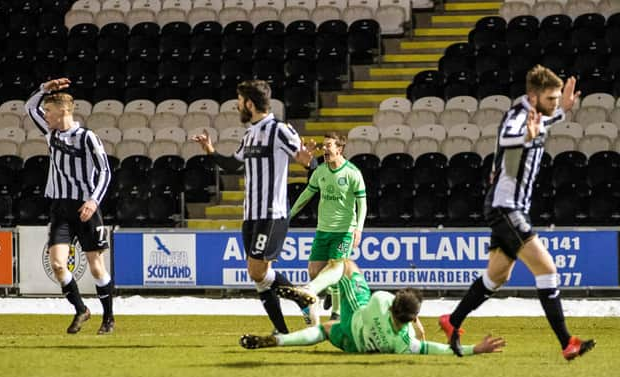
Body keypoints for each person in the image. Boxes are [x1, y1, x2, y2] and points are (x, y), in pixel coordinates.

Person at [438, 65, 595, 360]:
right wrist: (526, 136)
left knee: (497, 275)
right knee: (547, 269)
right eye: (551, 99)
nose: (554, 103)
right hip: (505, 208)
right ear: (533, 97)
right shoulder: (518, 116)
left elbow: (543, 124)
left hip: (510, 207)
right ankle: (567, 342)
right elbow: (508, 138)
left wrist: (564, 110)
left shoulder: (538, 116)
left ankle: (452, 321)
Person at [191, 80, 316, 334]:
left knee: (256, 269)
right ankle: (281, 330)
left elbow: (306, 161)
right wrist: (211, 150)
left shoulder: (280, 129)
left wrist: (308, 162)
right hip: (250, 214)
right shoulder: (249, 135)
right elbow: (234, 165)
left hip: (272, 213)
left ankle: (300, 295)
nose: (238, 107)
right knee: (259, 276)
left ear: (249, 103)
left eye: (239, 102)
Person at [240, 260, 506, 356]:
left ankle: (311, 290)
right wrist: (475, 349)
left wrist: (414, 317)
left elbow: (394, 300)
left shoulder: (381, 300)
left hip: (357, 316)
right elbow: (438, 350)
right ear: (409, 318)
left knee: (345, 265)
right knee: (324, 330)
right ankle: (281, 340)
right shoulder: (405, 344)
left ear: (394, 305)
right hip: (352, 344)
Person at [25, 78, 114, 335]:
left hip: (86, 208)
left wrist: (93, 200)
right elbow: (29, 109)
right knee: (57, 264)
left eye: (49, 111)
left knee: (96, 266)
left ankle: (108, 318)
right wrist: (44, 88)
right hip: (60, 208)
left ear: (64, 111)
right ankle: (81, 309)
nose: (46, 115)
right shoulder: (51, 133)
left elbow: (105, 172)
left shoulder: (88, 138)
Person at [285, 132, 367, 325]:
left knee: (335, 268)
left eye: (328, 145)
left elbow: (362, 203)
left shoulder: (352, 173)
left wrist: (359, 229)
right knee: (314, 272)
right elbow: (306, 194)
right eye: (323, 146)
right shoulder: (320, 171)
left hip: (344, 231)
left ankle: (336, 314)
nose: (324, 150)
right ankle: (330, 293)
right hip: (323, 231)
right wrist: (288, 216)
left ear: (339, 149)